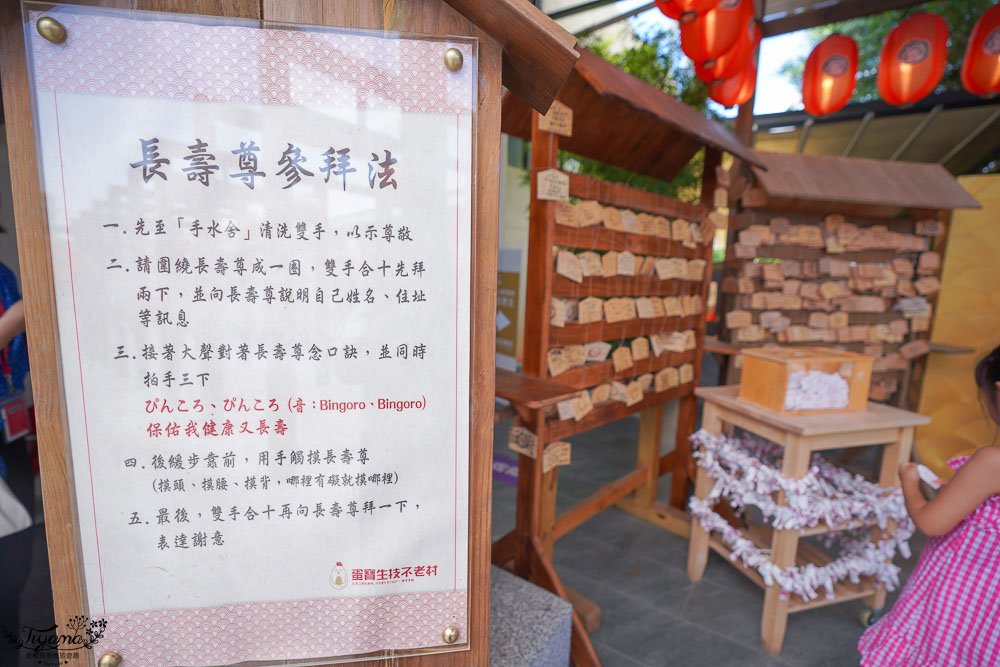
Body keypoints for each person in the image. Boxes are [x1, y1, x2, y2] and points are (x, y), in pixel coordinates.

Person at [858, 344, 1000, 666]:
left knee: (938, 653)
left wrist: (910, 480)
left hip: (962, 597)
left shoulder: (993, 462)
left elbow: (931, 523)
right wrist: (966, 494)